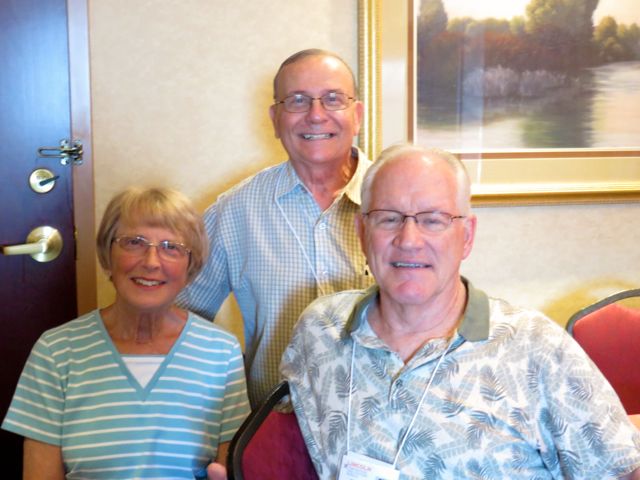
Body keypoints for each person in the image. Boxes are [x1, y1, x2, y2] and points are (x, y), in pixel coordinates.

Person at [281, 144, 640, 479]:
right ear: (362, 231)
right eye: (389, 218)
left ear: (466, 236)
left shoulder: (537, 350)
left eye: (433, 220)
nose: (409, 240)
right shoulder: (321, 330)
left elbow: (622, 470)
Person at [2, 187, 250, 480]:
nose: (151, 261)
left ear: (190, 266)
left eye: (171, 247)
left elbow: (229, 468)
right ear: (107, 255)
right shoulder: (56, 351)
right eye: (134, 242)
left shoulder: (221, 353)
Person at [178, 48, 375, 406]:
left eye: (333, 99)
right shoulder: (235, 211)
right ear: (275, 119)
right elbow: (179, 320)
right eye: (297, 100)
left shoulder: (401, 204)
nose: (316, 115)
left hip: (383, 425)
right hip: (276, 425)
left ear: (357, 115)